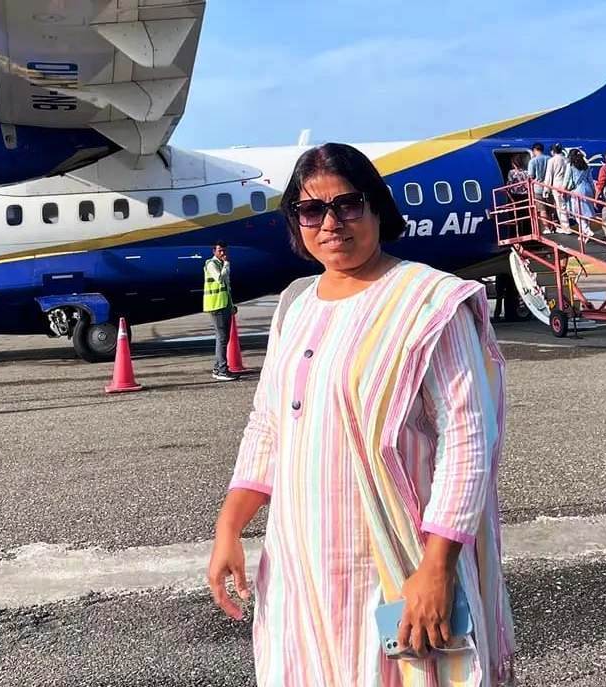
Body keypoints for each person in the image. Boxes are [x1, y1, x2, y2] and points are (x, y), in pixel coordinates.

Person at [208, 143, 515, 686]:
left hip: (391, 562)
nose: (331, 223)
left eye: (348, 205)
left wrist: (437, 567)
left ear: (377, 207)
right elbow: (268, 424)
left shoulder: (428, 303)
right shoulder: (295, 305)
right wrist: (229, 527)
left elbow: (469, 438)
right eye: (311, 210)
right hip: (299, 564)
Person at [203, 240, 239, 381]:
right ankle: (222, 370)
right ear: (214, 251)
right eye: (220, 251)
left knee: (224, 338)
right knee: (222, 338)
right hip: (216, 305)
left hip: (224, 305)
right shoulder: (211, 264)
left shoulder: (220, 264)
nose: (223, 253)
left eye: (224, 250)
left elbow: (226, 288)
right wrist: (227, 264)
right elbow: (219, 278)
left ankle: (218, 368)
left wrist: (231, 306)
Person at [564, 148, 596, 240]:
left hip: (578, 191)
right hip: (588, 189)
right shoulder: (586, 166)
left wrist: (563, 189)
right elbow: (591, 180)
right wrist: (594, 192)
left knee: (577, 213)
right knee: (586, 212)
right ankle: (583, 235)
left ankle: (587, 231)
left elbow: (566, 179)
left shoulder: (570, 166)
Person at [543, 144, 571, 233]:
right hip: (567, 185)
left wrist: (546, 189)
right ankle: (567, 226)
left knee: (560, 206)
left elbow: (549, 175)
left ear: (553, 151)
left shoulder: (552, 160)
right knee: (566, 205)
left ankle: (566, 227)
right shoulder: (566, 160)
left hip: (557, 185)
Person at [506, 155, 531, 237]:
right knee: (526, 215)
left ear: (513, 163)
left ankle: (517, 233)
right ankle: (527, 232)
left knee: (516, 215)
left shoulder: (511, 172)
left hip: (515, 196)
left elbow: (509, 183)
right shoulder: (526, 172)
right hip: (525, 195)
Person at [527, 142, 551, 227]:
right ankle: (553, 226)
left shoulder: (533, 161)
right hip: (549, 187)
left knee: (542, 209)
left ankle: (546, 227)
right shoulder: (549, 159)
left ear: (534, 150)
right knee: (550, 209)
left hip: (538, 188)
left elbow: (531, 176)